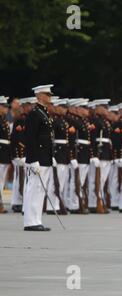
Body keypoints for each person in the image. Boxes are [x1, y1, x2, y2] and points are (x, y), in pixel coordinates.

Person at [23, 85, 55, 231]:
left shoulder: (44, 113)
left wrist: (50, 156)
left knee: (41, 190)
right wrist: (33, 159)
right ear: (39, 96)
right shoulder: (34, 114)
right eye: (47, 94)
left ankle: (37, 220)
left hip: (45, 158)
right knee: (33, 189)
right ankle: (30, 221)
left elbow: (47, 138)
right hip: (37, 159)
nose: (49, 97)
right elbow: (30, 139)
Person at [65, 99, 92, 214]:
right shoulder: (73, 121)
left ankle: (78, 203)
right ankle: (74, 205)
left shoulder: (83, 121)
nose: (87, 110)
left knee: (81, 180)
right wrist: (72, 157)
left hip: (85, 153)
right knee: (76, 180)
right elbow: (71, 141)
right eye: (84, 108)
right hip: (79, 153)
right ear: (77, 109)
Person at [87, 99, 113, 213]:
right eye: (104, 107)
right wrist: (93, 155)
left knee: (102, 179)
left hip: (106, 153)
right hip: (99, 153)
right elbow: (92, 139)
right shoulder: (94, 121)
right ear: (98, 108)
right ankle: (93, 203)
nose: (107, 109)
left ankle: (99, 201)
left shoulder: (106, 122)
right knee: (95, 179)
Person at [46, 98, 70, 215]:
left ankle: (57, 204)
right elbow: (50, 140)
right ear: (57, 107)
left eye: (65, 108)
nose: (65, 110)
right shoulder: (53, 121)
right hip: (57, 153)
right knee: (54, 181)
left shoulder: (63, 121)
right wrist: (52, 154)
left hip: (64, 153)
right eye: (62, 107)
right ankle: (52, 206)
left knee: (61, 180)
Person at [10, 98, 30, 213]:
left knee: (21, 178)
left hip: (25, 154)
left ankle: (19, 201)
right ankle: (16, 202)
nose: (30, 108)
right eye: (28, 106)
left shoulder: (27, 119)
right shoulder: (20, 120)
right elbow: (16, 139)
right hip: (20, 154)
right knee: (18, 178)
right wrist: (18, 155)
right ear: (23, 107)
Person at [0, 96, 11, 214]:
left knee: (2, 180)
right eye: (3, 106)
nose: (6, 109)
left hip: (4, 152)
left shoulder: (3, 120)